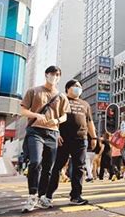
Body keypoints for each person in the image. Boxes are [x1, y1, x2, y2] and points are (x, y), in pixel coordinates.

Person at [40, 79, 98, 208]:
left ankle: (76, 196)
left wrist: (94, 138)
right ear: (67, 89)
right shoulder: (61, 99)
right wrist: (57, 134)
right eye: (75, 86)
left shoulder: (85, 104)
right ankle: (48, 196)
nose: (78, 88)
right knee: (57, 167)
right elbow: (53, 117)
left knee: (79, 168)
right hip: (63, 139)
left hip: (81, 139)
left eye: (79, 86)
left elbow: (89, 122)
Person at [20, 65, 70, 213]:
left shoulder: (61, 96)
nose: (54, 77)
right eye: (52, 74)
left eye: (57, 75)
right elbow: (22, 110)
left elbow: (65, 115)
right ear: (46, 75)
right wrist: (36, 115)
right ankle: (32, 195)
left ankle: (42, 196)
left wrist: (57, 121)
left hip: (52, 133)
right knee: (35, 162)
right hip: (35, 131)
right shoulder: (33, 91)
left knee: (49, 167)